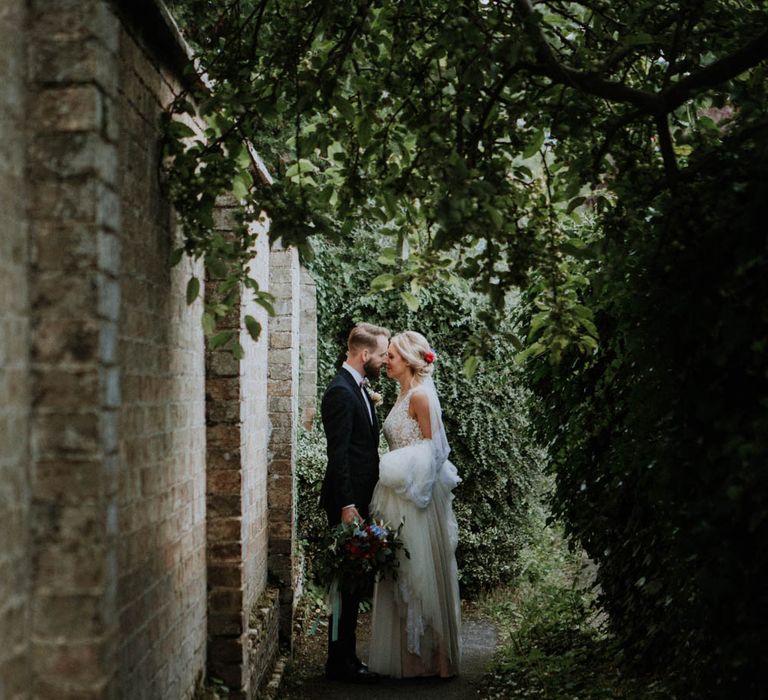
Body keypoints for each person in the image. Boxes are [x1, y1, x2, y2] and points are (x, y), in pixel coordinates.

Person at [368, 331, 461, 678]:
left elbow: (436, 451)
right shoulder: (400, 393)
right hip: (394, 496)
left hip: (413, 497)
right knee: (400, 574)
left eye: (390, 356)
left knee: (418, 574)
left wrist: (398, 469)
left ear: (407, 360)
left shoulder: (421, 397)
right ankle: (411, 661)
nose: (386, 361)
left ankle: (434, 662)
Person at [320, 322, 390, 683]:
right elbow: (339, 456)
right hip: (348, 503)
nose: (383, 360)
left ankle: (346, 656)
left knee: (353, 583)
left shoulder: (358, 388)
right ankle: (339, 662)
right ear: (365, 355)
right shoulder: (340, 393)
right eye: (381, 355)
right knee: (344, 583)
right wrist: (348, 503)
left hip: (360, 499)